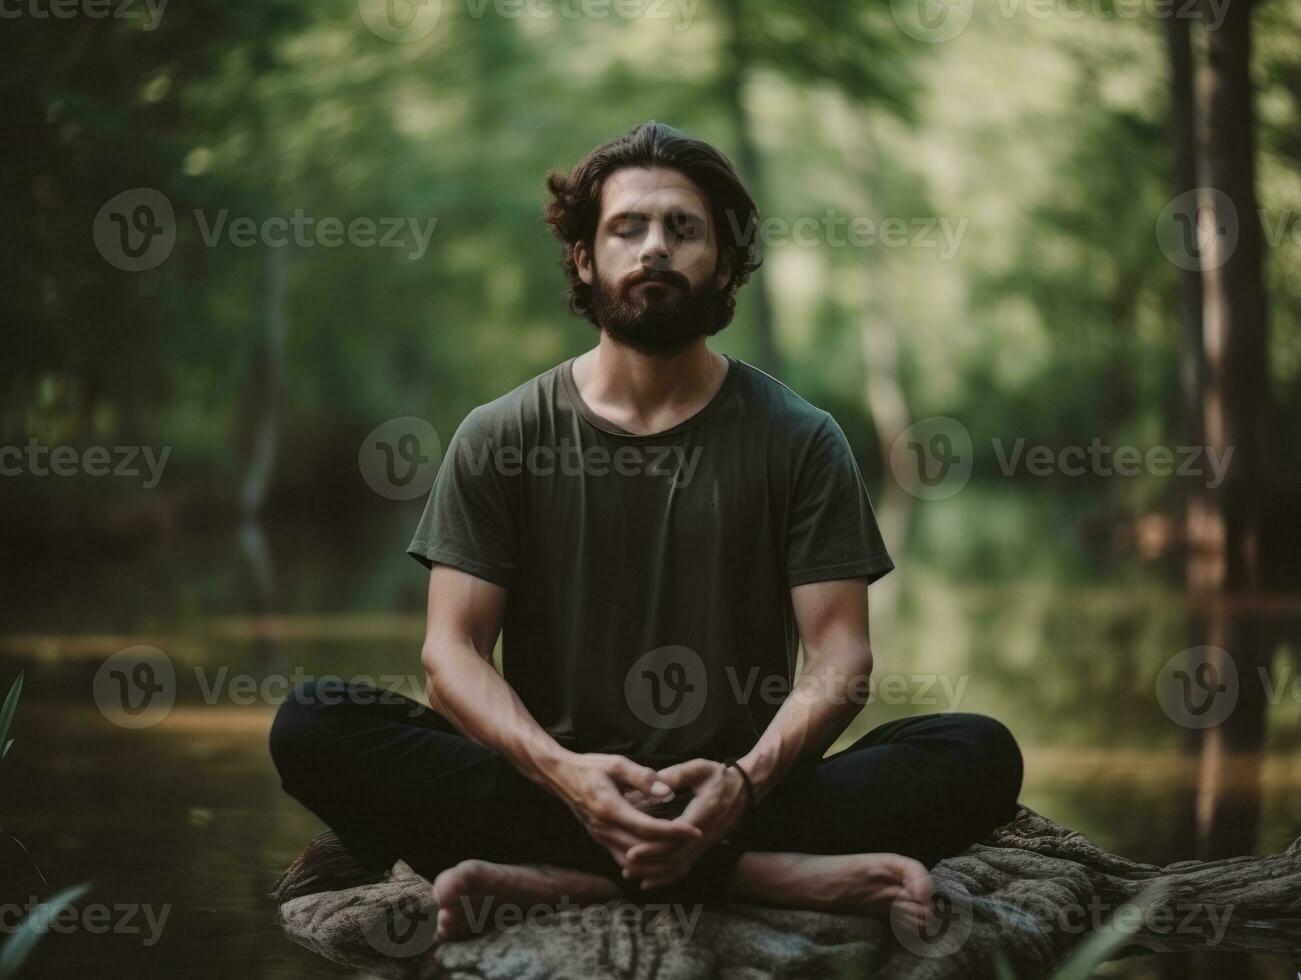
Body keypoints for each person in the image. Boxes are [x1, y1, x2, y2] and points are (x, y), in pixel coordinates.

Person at [270, 120, 1023, 943]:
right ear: (586, 259)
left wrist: (740, 783)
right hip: (544, 783)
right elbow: (450, 657)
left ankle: (565, 877)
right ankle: (760, 874)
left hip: (739, 789)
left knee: (976, 750)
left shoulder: (801, 438)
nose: (654, 248)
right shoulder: (498, 435)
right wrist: (570, 778)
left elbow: (840, 657)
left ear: (725, 263)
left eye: (683, 228)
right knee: (313, 722)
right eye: (627, 227)